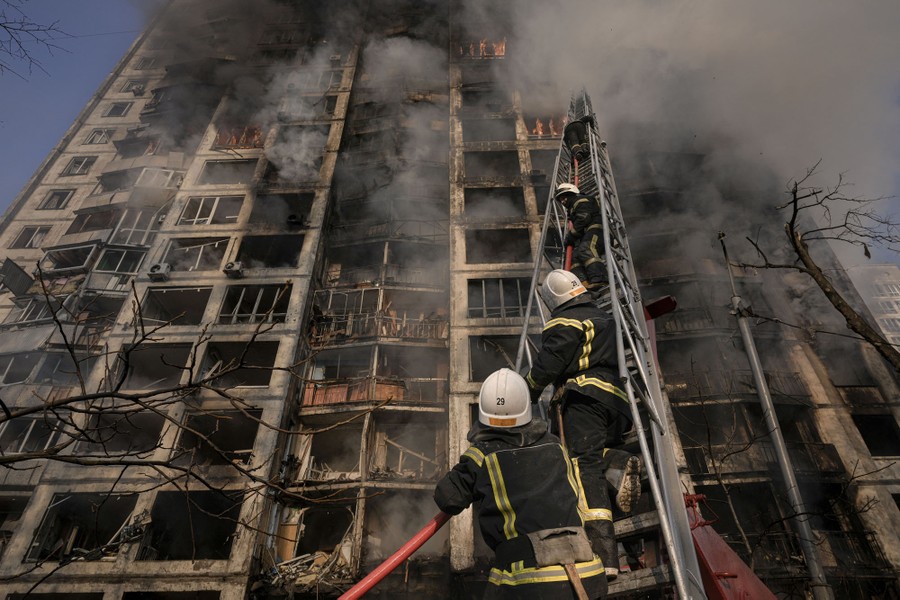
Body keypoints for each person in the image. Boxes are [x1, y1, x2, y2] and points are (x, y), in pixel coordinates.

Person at [434, 368, 607, 599]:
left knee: (498, 579)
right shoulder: (555, 446)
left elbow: (447, 498)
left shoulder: (482, 456)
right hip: (589, 575)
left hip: (532, 582)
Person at [524, 269, 642, 578]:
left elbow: (547, 366)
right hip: (617, 404)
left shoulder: (563, 322)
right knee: (601, 469)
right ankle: (616, 462)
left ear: (552, 299)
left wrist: (527, 391)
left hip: (583, 400)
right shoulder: (604, 318)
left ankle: (605, 558)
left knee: (582, 468)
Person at [555, 183, 607, 290]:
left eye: (564, 198)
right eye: (561, 200)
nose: (563, 202)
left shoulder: (582, 200)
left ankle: (599, 278)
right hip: (587, 233)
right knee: (574, 257)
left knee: (586, 249)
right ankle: (583, 284)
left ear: (571, 194)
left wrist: (571, 236)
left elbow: (584, 218)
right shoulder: (573, 207)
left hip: (596, 230)